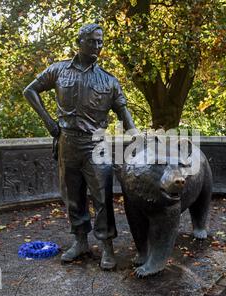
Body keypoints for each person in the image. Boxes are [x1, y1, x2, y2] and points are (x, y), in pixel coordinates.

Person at [23, 23, 138, 270]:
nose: (98, 46)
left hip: (96, 144)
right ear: (80, 41)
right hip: (67, 143)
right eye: (93, 41)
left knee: (102, 198)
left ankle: (107, 246)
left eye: (101, 42)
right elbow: (30, 91)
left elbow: (124, 114)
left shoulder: (109, 80)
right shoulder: (58, 70)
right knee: (72, 196)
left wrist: (140, 139)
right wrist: (49, 123)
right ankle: (80, 241)